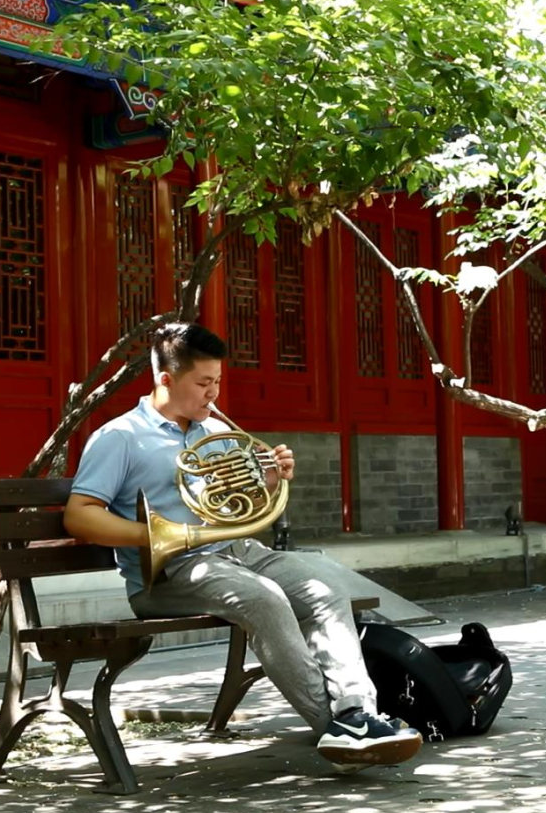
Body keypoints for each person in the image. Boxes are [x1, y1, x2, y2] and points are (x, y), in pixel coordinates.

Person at [63, 322, 422, 769]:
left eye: (217, 381)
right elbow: (79, 514)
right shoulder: (120, 437)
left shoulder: (211, 429)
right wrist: (154, 535)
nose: (213, 393)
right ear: (166, 379)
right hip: (168, 573)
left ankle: (358, 712)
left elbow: (237, 501)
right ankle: (336, 728)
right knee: (264, 599)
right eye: (203, 383)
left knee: (326, 589)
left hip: (236, 552)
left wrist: (268, 478)